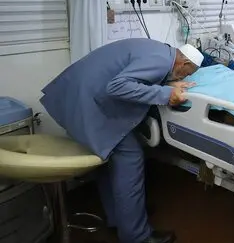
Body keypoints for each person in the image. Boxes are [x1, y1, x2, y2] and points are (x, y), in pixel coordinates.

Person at [40, 38, 202, 243]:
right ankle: (136, 236)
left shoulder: (160, 51)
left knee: (109, 160)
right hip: (88, 104)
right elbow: (117, 86)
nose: (185, 76)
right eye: (187, 73)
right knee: (130, 156)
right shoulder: (162, 61)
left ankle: (122, 217)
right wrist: (166, 93)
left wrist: (168, 83)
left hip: (75, 97)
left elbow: (133, 75)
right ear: (184, 62)